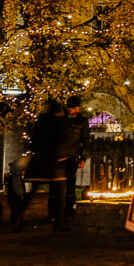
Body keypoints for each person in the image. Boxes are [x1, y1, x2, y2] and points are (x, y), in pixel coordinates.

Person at [14, 98, 65, 232]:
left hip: (38, 161)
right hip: (52, 161)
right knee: (59, 193)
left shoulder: (41, 120)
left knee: (32, 192)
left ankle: (19, 217)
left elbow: (34, 139)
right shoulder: (57, 122)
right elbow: (60, 139)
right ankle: (58, 222)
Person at [56, 96, 91, 230]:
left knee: (70, 184)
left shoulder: (82, 121)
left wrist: (82, 157)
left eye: (77, 108)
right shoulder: (62, 120)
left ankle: (69, 211)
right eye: (73, 108)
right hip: (60, 156)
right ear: (68, 108)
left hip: (71, 157)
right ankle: (57, 212)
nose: (75, 110)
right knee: (58, 185)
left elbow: (85, 140)